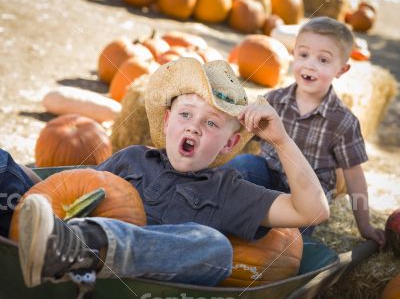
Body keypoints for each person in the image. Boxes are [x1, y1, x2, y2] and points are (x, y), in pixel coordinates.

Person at [16, 57, 329, 289]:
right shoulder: (131, 159)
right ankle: (61, 243)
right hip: (66, 256)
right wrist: (28, 187)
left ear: (229, 143)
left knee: (216, 248)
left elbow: (312, 210)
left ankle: (84, 244)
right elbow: (73, 191)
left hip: (147, 282)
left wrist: (280, 140)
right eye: (186, 114)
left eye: (211, 123)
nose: (193, 125)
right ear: (167, 122)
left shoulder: (229, 191)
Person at [225, 17, 385, 247]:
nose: (309, 64)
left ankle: (259, 238)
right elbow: (241, 134)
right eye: (303, 54)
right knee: (243, 165)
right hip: (267, 176)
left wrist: (365, 225)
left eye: (323, 59)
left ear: (342, 69)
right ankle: (208, 202)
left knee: (282, 242)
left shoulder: (343, 122)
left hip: (307, 198)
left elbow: (355, 179)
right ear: (293, 55)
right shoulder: (273, 100)